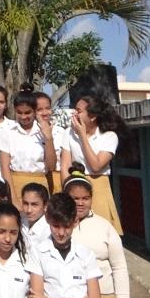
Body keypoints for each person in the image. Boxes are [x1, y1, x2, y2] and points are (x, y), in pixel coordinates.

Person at [65, 165, 130, 298]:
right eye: (75, 198)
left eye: (85, 198)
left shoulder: (105, 226)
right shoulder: (56, 227)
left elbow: (119, 268)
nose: (80, 203)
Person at [25, 193, 102, 298]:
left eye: (66, 226)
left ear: (75, 221)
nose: (61, 233)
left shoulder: (86, 255)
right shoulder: (37, 252)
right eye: (56, 226)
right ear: (47, 219)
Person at [61, 95, 126, 234]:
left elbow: (96, 165)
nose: (74, 114)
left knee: (100, 232)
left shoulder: (109, 136)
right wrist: (66, 190)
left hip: (98, 186)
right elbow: (65, 165)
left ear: (92, 116)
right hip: (74, 185)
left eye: (79, 111)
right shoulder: (68, 133)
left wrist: (83, 136)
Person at [0, 89, 57, 209]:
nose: (24, 117)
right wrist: (13, 198)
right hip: (15, 186)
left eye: (28, 113)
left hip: (39, 185)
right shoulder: (8, 132)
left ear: (35, 111)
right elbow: (5, 168)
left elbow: (51, 167)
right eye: (19, 113)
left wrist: (48, 139)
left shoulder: (44, 131)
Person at [34, 91, 65, 194]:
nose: (44, 113)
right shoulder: (29, 132)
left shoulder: (61, 132)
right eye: (39, 109)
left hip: (57, 180)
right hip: (36, 181)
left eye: (47, 108)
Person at [20, 182, 50, 250]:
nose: (29, 210)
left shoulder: (49, 230)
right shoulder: (19, 220)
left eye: (34, 204)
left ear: (45, 205)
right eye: (25, 203)